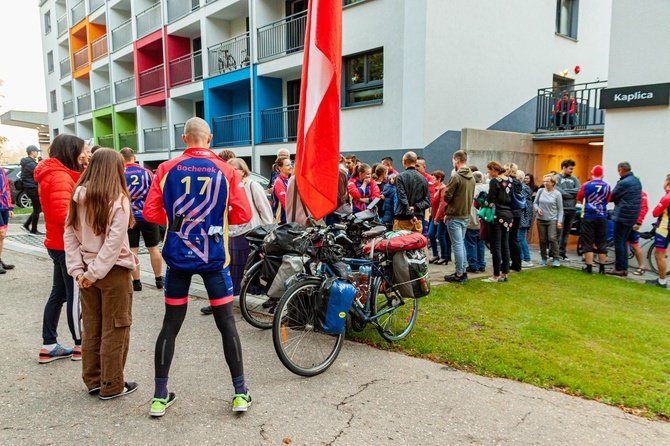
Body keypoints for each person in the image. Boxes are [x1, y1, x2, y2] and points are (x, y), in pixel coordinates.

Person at [143, 117, 253, 417]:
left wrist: (179, 223)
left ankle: (158, 397)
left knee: (170, 324)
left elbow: (150, 211)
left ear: (184, 138)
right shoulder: (227, 170)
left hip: (177, 256)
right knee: (226, 323)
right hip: (214, 256)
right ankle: (240, 393)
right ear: (210, 138)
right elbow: (243, 214)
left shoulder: (166, 169)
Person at [64, 149, 139, 399]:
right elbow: (113, 243)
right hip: (112, 272)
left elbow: (70, 236)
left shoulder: (78, 196)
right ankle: (112, 384)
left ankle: (93, 380)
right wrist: (93, 272)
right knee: (116, 327)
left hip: (86, 272)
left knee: (93, 327)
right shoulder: (118, 200)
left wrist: (79, 271)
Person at [33, 134, 87, 363]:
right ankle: (79, 345)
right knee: (74, 296)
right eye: (82, 150)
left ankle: (49, 344)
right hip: (65, 247)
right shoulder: (61, 177)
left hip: (56, 244)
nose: (85, 154)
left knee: (59, 294)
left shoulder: (56, 173)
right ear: (71, 151)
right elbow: (62, 214)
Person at [201, 158, 274, 315]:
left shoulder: (251, 185)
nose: (232, 171)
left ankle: (271, 298)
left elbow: (264, 209)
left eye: (235, 168)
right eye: (229, 168)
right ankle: (220, 302)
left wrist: (268, 231)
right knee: (227, 268)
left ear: (243, 170)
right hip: (230, 233)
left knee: (254, 267)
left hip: (250, 233)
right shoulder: (225, 186)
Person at [120, 147, 164, 291]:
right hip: (147, 215)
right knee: (154, 248)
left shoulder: (119, 173)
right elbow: (155, 193)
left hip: (129, 217)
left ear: (122, 159)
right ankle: (158, 279)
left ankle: (137, 282)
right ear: (134, 157)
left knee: (133, 249)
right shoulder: (147, 172)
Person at [443, 150, 475, 284]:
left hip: (455, 214)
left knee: (457, 245)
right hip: (465, 214)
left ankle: (459, 273)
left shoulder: (456, 177)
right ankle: (462, 270)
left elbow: (446, 196)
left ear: (456, 160)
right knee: (461, 244)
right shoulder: (472, 177)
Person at [607, 162, 642, 277]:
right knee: (624, 241)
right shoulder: (636, 181)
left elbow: (612, 196)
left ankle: (620, 268)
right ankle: (624, 267)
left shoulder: (624, 182)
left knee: (619, 241)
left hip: (622, 215)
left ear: (621, 170)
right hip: (632, 216)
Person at [576, 165, 611, 275]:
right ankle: (602, 269)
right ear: (602, 175)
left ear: (592, 174)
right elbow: (608, 199)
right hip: (602, 216)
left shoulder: (586, 185)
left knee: (588, 242)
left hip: (589, 216)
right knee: (601, 242)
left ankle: (589, 268)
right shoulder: (607, 186)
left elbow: (579, 197)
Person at [482, 162, 513, 283]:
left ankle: (495, 275)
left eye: (489, 171)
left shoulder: (495, 181)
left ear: (494, 170)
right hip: (508, 215)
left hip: (497, 214)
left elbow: (490, 198)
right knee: (505, 245)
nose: (488, 173)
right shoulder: (510, 181)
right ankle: (504, 273)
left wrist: (485, 203)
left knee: (496, 246)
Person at [393, 151, 430, 233]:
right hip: (418, 219)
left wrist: (410, 214)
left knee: (400, 244)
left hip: (403, 218)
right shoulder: (423, 179)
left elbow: (402, 197)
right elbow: (427, 202)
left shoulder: (400, 177)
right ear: (415, 162)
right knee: (416, 244)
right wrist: (415, 207)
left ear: (404, 161)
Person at [534, 174, 564, 268]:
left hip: (552, 219)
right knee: (542, 239)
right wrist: (537, 209)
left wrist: (559, 221)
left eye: (547, 181)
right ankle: (544, 258)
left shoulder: (557, 194)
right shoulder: (540, 191)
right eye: (544, 181)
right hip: (540, 219)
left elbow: (560, 209)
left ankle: (556, 258)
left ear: (553, 183)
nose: (545, 183)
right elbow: (535, 203)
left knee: (552, 238)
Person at [646, 174, 670, 288]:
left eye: (665, 180)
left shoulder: (666, 198)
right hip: (667, 229)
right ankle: (661, 279)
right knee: (659, 254)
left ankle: (662, 281)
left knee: (659, 255)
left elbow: (655, 213)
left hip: (663, 229)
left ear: (668, 183)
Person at [554, 159, 580, 261]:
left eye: (572, 169)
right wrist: (571, 194)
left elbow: (578, 190)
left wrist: (567, 192)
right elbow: (559, 192)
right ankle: (554, 252)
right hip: (561, 208)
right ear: (564, 167)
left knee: (566, 232)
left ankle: (562, 252)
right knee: (558, 231)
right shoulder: (557, 178)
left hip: (572, 208)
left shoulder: (574, 179)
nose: (571, 171)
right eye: (570, 169)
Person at [427, 170, 449, 265]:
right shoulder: (434, 189)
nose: (432, 180)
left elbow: (442, 204)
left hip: (440, 217)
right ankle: (436, 254)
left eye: (434, 178)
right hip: (434, 216)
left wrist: (437, 217)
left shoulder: (443, 189)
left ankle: (444, 256)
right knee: (431, 234)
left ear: (439, 179)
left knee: (441, 235)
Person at [20, 145, 43, 235]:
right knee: (37, 208)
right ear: (32, 152)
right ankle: (33, 229)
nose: (37, 153)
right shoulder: (31, 164)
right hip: (32, 188)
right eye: (36, 151)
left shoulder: (28, 163)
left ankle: (26, 225)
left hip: (29, 188)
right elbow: (39, 174)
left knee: (37, 208)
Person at [505, 163, 523, 272]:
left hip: (509, 211)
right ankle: (517, 263)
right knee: (514, 238)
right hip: (517, 212)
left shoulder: (508, 182)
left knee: (508, 238)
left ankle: (510, 263)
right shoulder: (518, 182)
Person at [517, 170, 534, 268]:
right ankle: (522, 258)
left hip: (523, 218)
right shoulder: (524, 187)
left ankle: (527, 259)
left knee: (520, 238)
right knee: (519, 238)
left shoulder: (523, 188)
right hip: (523, 217)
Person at [630, 189, 649, 276]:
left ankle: (642, 266)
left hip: (635, 223)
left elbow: (644, 208)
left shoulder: (642, 194)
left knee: (635, 244)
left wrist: (638, 222)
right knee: (623, 242)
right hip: (627, 221)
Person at [0, 165, 15, 274]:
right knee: (1, 233)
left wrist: (9, 206)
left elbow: (7, 188)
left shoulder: (2, 171)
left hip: (3, 206)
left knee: (2, 235)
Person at [272, 156, 292, 223]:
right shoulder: (279, 182)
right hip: (283, 219)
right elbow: (285, 202)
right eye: (287, 165)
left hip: (289, 217)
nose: (291, 167)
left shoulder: (289, 179)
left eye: (290, 164)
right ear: (280, 168)